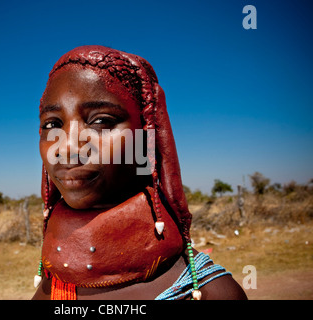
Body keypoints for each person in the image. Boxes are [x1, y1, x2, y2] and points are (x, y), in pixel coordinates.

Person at [32, 45, 247, 300]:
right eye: (53, 124)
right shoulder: (55, 277)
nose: (66, 147)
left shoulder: (212, 294)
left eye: (101, 121)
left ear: (147, 138)